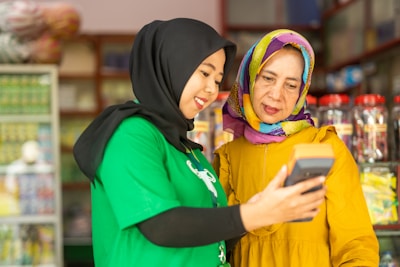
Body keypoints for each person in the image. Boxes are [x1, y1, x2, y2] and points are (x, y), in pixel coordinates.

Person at [72, 19, 327, 267]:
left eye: (217, 80)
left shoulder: (185, 148)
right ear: (172, 65)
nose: (210, 90)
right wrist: (254, 214)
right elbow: (161, 225)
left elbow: (207, 234)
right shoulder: (130, 135)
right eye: (204, 73)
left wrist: (257, 209)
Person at [212, 29, 379, 266]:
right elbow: (215, 244)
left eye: (291, 85)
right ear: (249, 78)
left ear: (302, 91)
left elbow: (356, 245)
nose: (276, 94)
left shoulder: (323, 147)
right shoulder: (228, 157)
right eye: (268, 78)